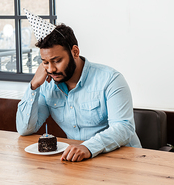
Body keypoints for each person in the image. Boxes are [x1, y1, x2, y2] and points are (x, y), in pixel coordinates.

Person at [16, 10, 141, 162]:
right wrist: (34, 86)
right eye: (45, 62)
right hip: (80, 162)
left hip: (123, 160)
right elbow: (25, 129)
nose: (51, 69)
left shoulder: (111, 80)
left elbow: (123, 128)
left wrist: (88, 147)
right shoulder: (46, 85)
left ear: (75, 52)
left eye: (56, 60)